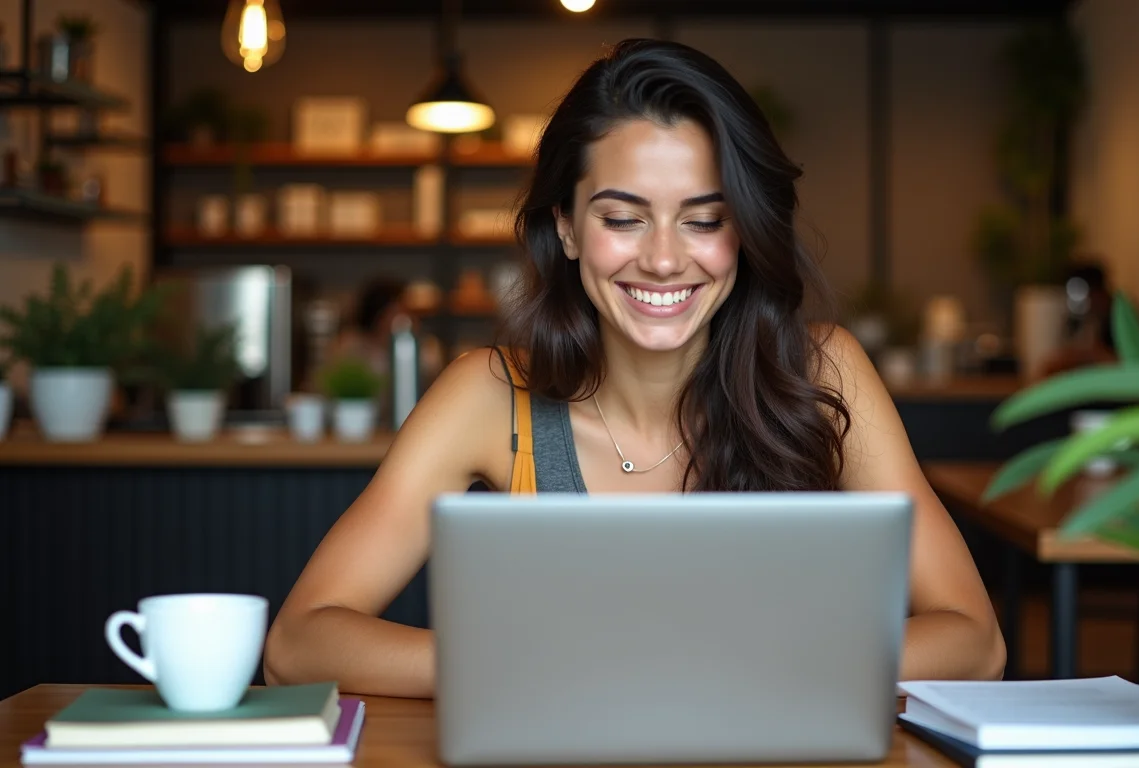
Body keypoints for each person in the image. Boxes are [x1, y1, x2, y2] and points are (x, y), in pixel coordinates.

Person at [264, 38, 1005, 697]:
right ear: (567, 226)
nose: (661, 258)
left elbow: (975, 642)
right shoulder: (489, 394)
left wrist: (748, 666)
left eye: (704, 219)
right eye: (622, 218)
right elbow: (300, 643)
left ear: (744, 230)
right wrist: (519, 668)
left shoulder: (823, 371)